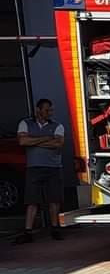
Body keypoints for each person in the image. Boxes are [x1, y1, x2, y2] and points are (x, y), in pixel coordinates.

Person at [14, 98, 65, 244]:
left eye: (51, 110)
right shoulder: (25, 123)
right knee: (32, 200)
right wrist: (46, 138)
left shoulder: (57, 126)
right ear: (38, 110)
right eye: (46, 110)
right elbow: (22, 141)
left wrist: (33, 141)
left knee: (54, 199)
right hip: (34, 167)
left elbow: (58, 143)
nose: (50, 113)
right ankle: (28, 232)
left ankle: (55, 228)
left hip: (53, 167)